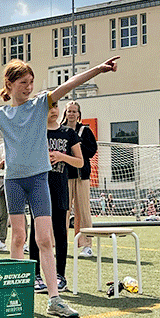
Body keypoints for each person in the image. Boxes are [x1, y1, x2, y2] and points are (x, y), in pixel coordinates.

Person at [0, 55, 119, 318]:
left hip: (38, 180)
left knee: (44, 239)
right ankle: (16, 294)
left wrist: (99, 70)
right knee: (18, 237)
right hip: (14, 182)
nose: (29, 87)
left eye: (31, 82)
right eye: (23, 82)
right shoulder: (0, 115)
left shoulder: (41, 104)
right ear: (9, 84)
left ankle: (55, 299)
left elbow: (68, 85)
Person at [29, 102, 82, 291]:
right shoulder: (36, 131)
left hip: (60, 188)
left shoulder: (68, 133)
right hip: (38, 187)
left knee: (60, 233)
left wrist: (62, 157)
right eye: (48, 107)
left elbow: (80, 162)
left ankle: (60, 275)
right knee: (36, 233)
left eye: (55, 106)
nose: (52, 110)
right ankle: (35, 275)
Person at [61, 100, 97, 257]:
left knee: (83, 210)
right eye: (69, 111)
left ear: (79, 114)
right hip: (65, 176)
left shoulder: (85, 131)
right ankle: (60, 243)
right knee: (63, 210)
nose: (71, 114)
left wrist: (77, 146)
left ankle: (87, 245)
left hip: (82, 176)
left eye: (74, 111)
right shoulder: (60, 131)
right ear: (65, 113)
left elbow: (92, 150)